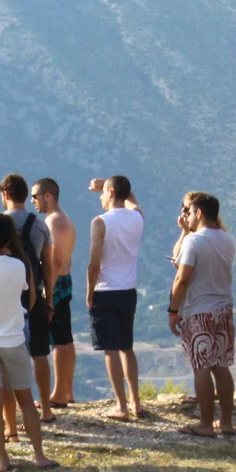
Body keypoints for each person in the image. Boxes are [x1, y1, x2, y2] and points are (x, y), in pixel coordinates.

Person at [0, 214, 58, 472]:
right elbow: (27, 296)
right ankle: (39, 456)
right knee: (26, 400)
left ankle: (3, 459)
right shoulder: (19, 266)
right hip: (14, 339)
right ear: (9, 240)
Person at [168, 192, 236, 437]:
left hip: (199, 310)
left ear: (199, 212)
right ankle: (226, 422)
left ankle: (206, 424)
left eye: (187, 210)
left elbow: (182, 277)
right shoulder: (227, 239)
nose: (184, 214)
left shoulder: (194, 242)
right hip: (224, 308)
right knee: (221, 365)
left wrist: (173, 309)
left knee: (201, 367)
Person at [85, 175, 146, 421]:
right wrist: (112, 183)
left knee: (109, 349)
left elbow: (94, 262)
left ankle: (120, 405)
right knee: (126, 347)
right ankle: (136, 401)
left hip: (106, 289)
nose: (99, 196)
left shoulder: (100, 222)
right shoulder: (137, 217)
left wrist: (89, 291)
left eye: (103, 192)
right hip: (128, 289)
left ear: (110, 192)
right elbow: (132, 200)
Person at [0, 173, 54, 431]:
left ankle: (14, 417)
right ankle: (45, 408)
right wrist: (49, 298)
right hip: (36, 295)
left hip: (8, 296)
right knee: (40, 353)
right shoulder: (41, 225)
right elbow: (49, 265)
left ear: (6, 195)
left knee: (9, 354)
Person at [32, 178, 77, 408]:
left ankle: (59, 393)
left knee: (58, 340)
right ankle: (67, 390)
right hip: (65, 280)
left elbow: (56, 260)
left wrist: (47, 294)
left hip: (57, 282)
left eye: (35, 197)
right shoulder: (64, 218)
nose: (33, 202)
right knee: (66, 338)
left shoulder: (54, 221)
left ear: (47, 196)